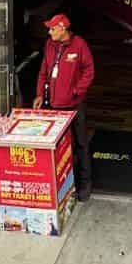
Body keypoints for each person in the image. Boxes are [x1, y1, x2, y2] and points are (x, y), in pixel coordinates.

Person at [33, 14, 95, 201]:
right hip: (53, 105)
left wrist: (77, 90)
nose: (49, 31)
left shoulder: (79, 45)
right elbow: (44, 70)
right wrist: (38, 94)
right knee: (58, 146)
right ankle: (63, 184)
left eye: (52, 28)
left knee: (81, 144)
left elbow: (89, 70)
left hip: (75, 105)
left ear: (63, 29)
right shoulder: (49, 45)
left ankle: (85, 184)